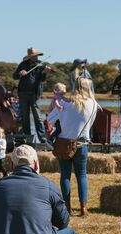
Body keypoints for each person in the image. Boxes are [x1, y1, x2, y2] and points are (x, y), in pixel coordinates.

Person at [47, 77, 98, 216]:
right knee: (82, 175)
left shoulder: (64, 103)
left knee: (65, 176)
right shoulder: (93, 104)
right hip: (81, 143)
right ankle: (83, 207)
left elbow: (49, 120)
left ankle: (67, 207)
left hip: (64, 143)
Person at [12, 47, 52, 143]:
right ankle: (27, 138)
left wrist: (45, 72)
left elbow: (42, 79)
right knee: (25, 117)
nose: (36, 57)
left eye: (36, 55)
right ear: (30, 57)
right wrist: (20, 73)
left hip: (35, 94)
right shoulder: (23, 64)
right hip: (22, 93)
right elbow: (14, 76)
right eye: (34, 56)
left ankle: (42, 139)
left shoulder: (41, 64)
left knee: (37, 117)